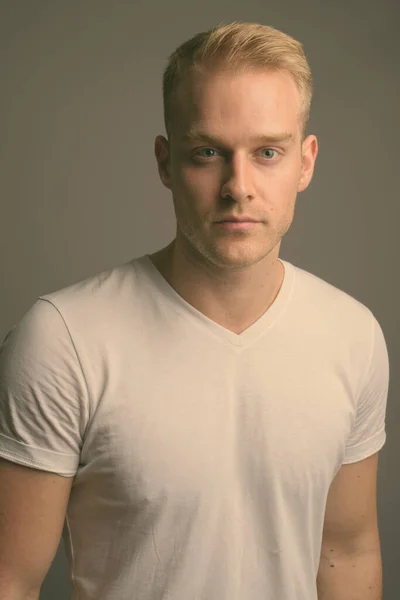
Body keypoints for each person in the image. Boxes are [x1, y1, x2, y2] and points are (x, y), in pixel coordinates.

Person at [0, 21, 389, 600]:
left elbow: (347, 554)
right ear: (165, 162)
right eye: (207, 152)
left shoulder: (353, 335)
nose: (238, 186)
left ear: (305, 162)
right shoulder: (64, 338)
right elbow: (11, 580)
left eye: (267, 152)